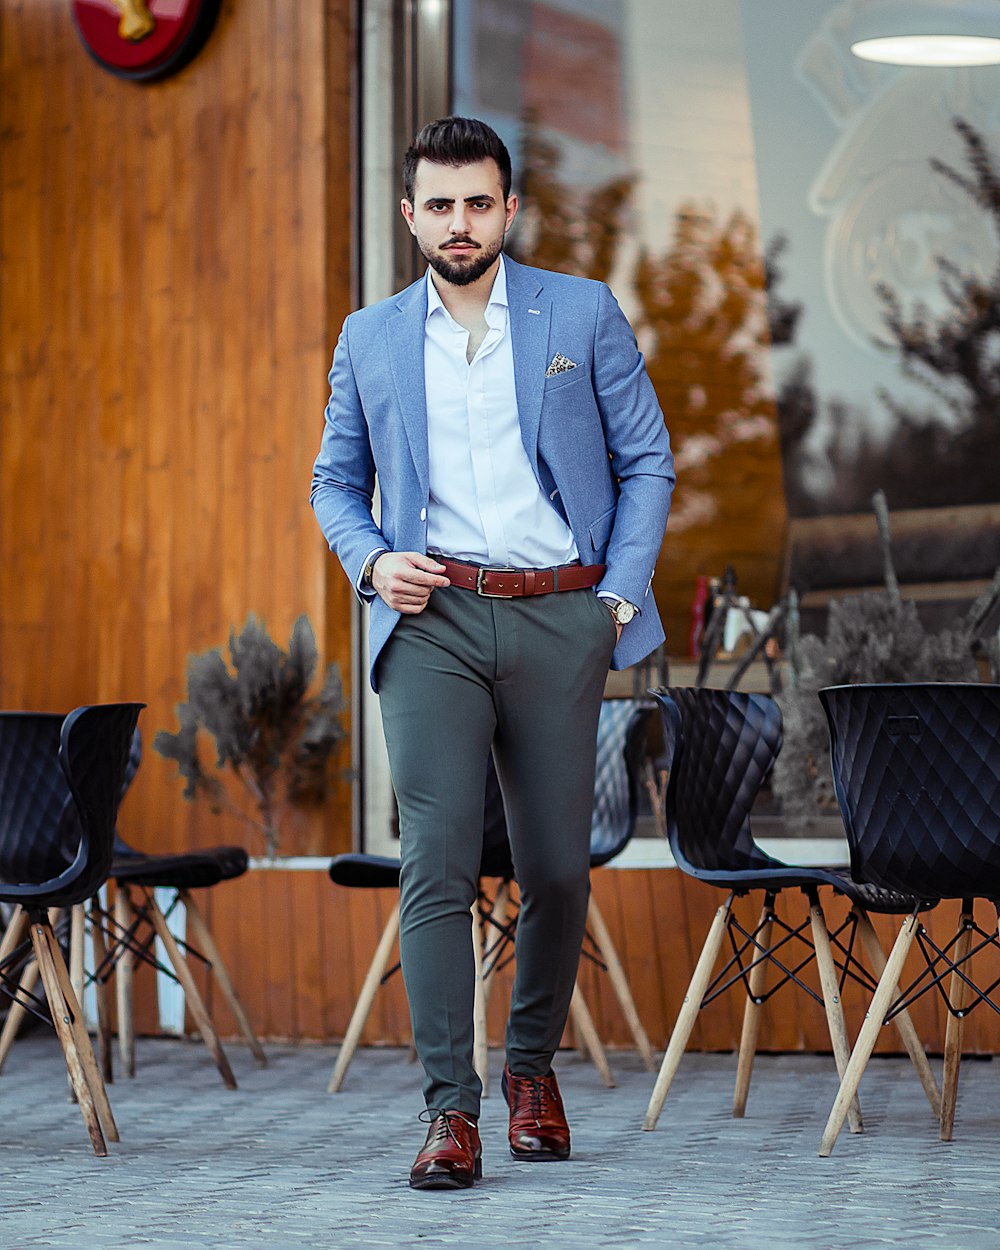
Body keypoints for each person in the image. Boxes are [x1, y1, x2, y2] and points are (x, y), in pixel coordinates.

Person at [311, 116, 674, 1190]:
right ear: (411, 212)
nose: (459, 222)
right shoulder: (369, 336)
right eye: (440, 203)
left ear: (507, 210)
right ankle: (447, 1110)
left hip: (562, 610)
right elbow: (335, 481)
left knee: (556, 864)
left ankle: (530, 1067)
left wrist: (616, 594)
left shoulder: (581, 310)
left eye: (479, 202)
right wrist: (373, 563)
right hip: (431, 622)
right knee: (436, 858)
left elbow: (646, 457)